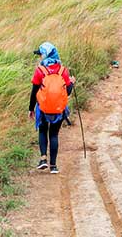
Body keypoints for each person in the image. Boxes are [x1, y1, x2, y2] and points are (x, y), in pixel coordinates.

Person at [29, 41, 74, 174]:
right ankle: (53, 166)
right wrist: (71, 82)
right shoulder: (63, 71)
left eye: (41, 54)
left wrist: (31, 108)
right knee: (54, 134)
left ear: (46, 54)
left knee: (43, 131)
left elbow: (34, 91)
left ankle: (43, 159)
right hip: (59, 109)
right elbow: (68, 91)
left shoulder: (40, 70)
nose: (40, 57)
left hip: (43, 108)